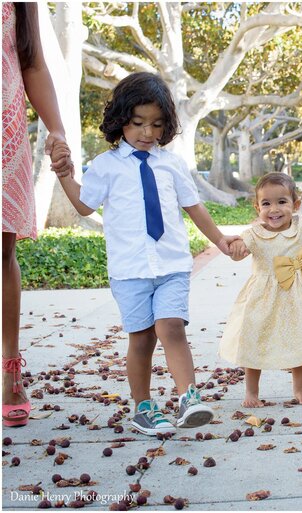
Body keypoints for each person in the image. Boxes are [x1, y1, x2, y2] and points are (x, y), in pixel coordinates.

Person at [54, 72, 241, 436]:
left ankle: (189, 398)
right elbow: (84, 205)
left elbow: (194, 207)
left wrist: (220, 240)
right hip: (130, 270)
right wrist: (65, 174)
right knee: (142, 338)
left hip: (171, 266)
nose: (147, 133)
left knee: (172, 328)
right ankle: (143, 407)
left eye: (156, 124)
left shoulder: (170, 164)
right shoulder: (106, 165)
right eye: (138, 123)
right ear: (120, 120)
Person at [219, 171, 302, 407]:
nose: (274, 209)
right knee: (254, 341)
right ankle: (251, 392)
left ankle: (299, 388)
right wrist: (237, 249)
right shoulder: (253, 235)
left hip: (298, 297)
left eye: (282, 202)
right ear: (257, 207)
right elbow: (237, 255)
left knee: (299, 340)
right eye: (266, 203)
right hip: (263, 299)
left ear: (295, 204)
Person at [2, 2, 74, 427]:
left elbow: (32, 64)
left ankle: (10, 369)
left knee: (0, 250)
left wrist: (57, 128)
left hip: (4, 136)